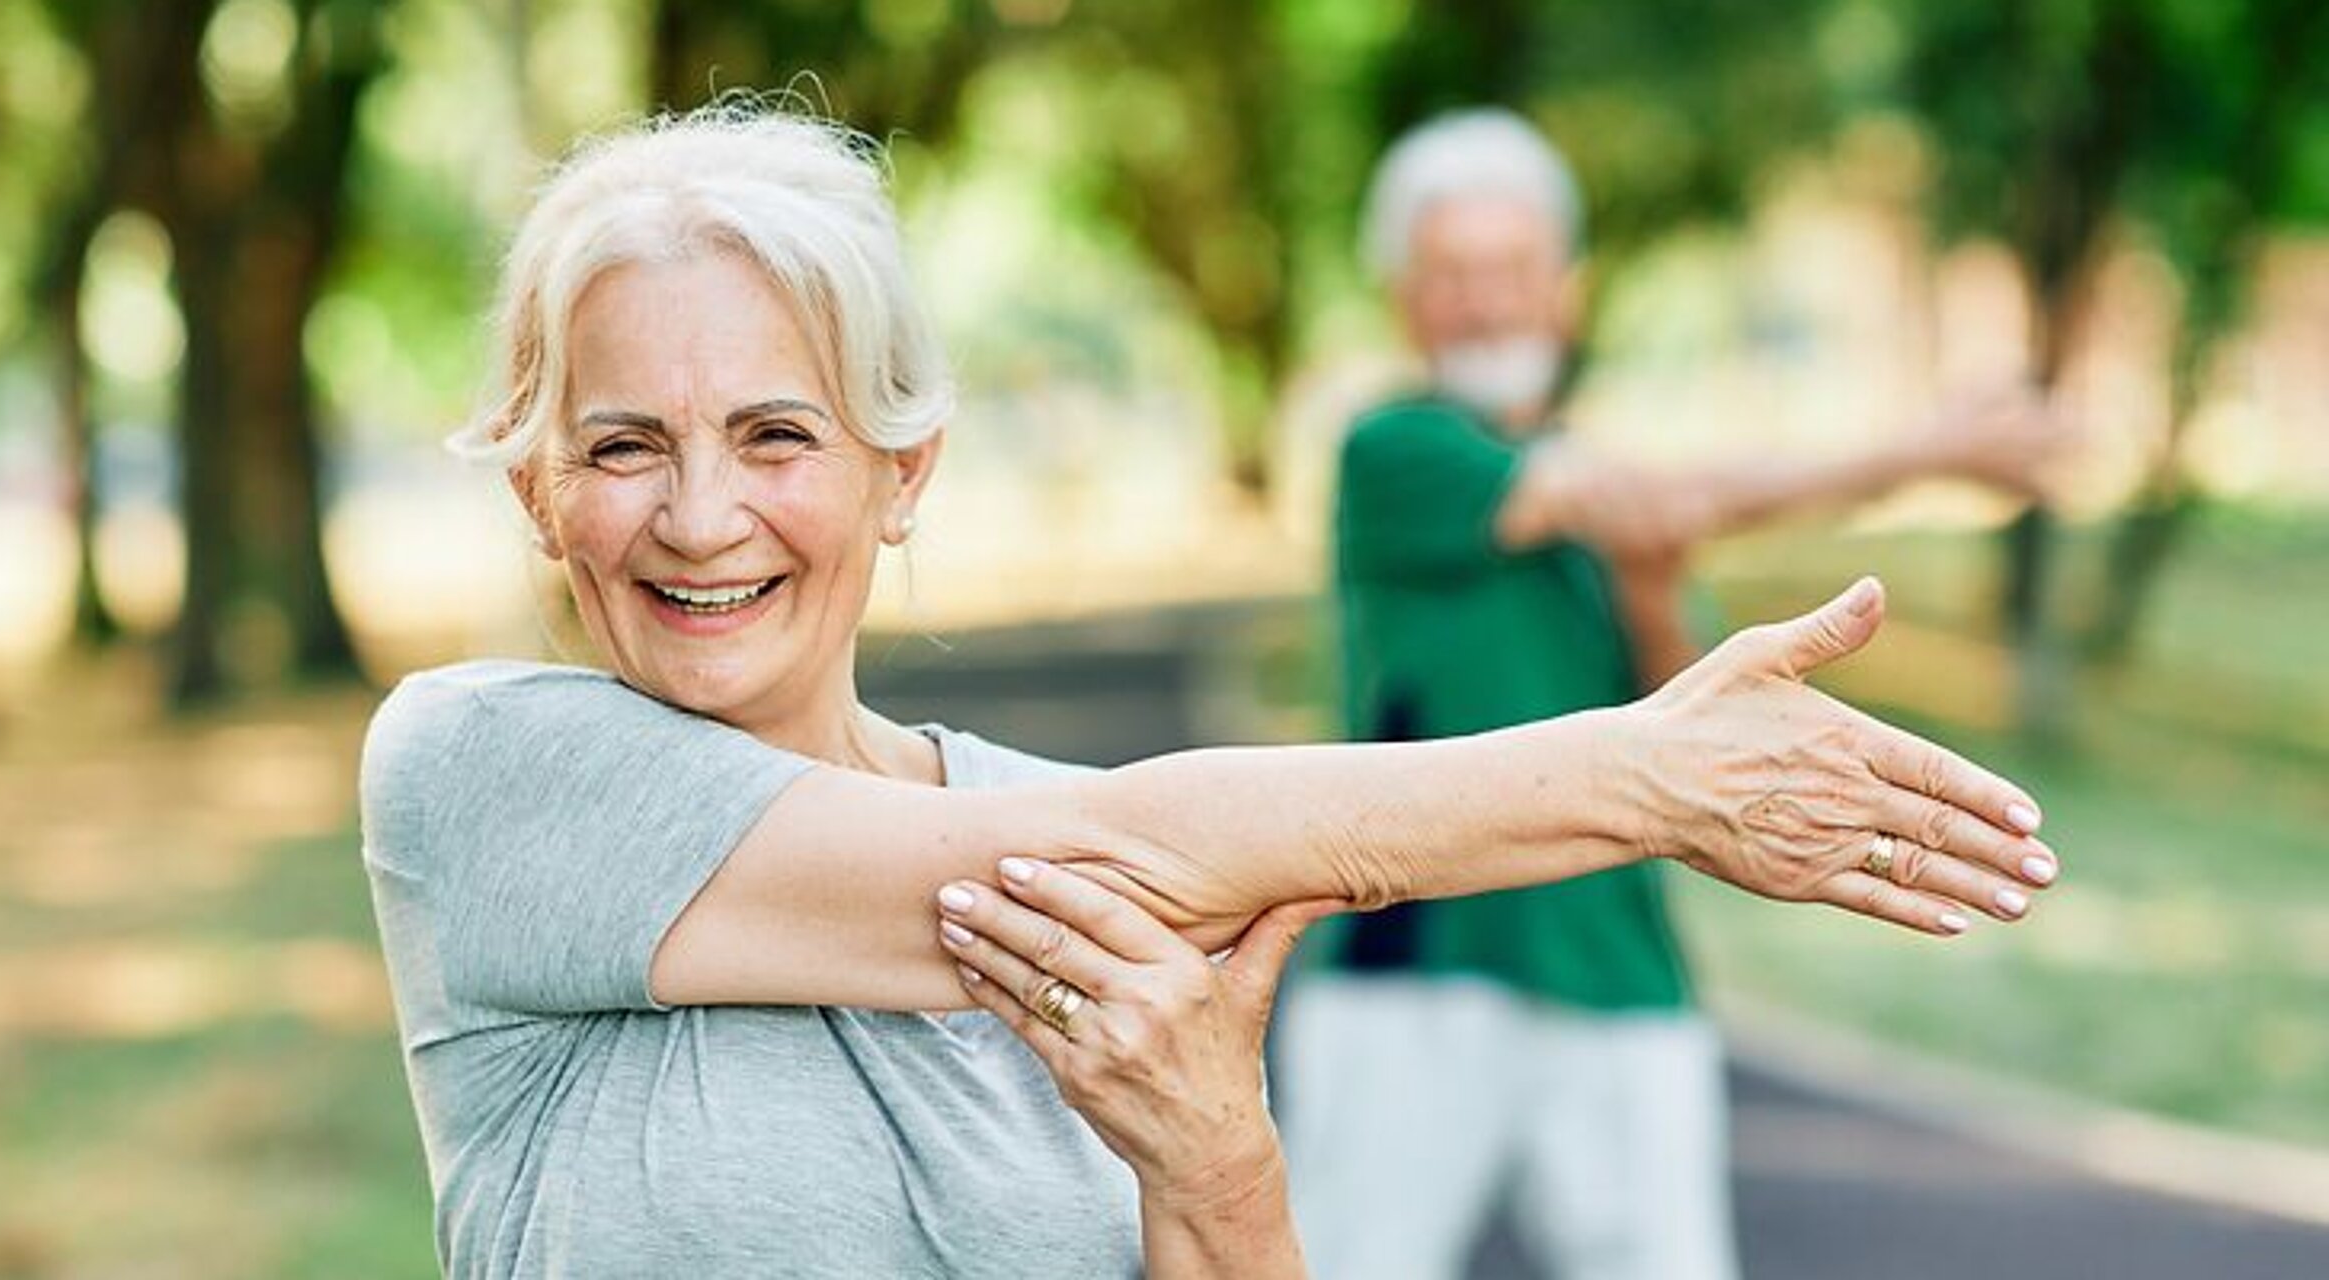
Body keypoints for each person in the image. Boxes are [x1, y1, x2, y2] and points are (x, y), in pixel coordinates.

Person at [358, 100, 2060, 1280]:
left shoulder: (1084, 858)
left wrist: (1223, 1172)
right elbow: (1128, 840)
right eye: (623, 446)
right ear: (538, 493)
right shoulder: (481, 776)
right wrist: (1647, 779)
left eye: (776, 433)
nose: (701, 515)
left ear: (904, 469)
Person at [1279, 108, 2071, 1280]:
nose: (1486, 301)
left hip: (1615, 964)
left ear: (1568, 289)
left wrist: (1653, 574)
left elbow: (1674, 694)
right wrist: (1916, 454)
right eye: (1451, 274)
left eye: (1512, 269)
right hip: (1414, 962)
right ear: (1403, 297)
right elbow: (1635, 498)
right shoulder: (1395, 448)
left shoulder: (1622, 489)